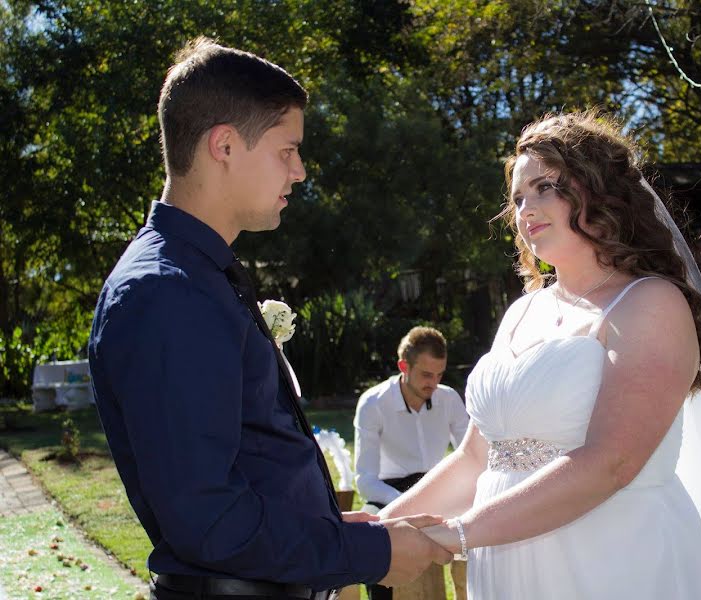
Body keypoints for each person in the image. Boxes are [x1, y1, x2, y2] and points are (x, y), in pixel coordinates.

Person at [87, 38, 449, 600]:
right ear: (225, 145)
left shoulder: (199, 275)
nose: (300, 171)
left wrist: (323, 529)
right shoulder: (168, 291)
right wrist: (368, 555)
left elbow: (248, 462)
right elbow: (207, 521)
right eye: (287, 150)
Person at [380, 110, 701, 599]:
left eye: (546, 186)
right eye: (517, 197)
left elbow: (610, 462)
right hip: (510, 566)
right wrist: (380, 527)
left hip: (613, 561)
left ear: (600, 189)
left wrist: (459, 532)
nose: (525, 207)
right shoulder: (521, 312)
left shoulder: (649, 303)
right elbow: (474, 460)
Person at [354, 326, 469, 600]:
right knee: (374, 539)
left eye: (439, 374)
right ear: (403, 365)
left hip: (437, 486)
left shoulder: (449, 399)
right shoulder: (373, 404)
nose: (434, 383)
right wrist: (407, 504)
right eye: (426, 375)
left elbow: (470, 454)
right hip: (388, 494)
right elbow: (366, 481)